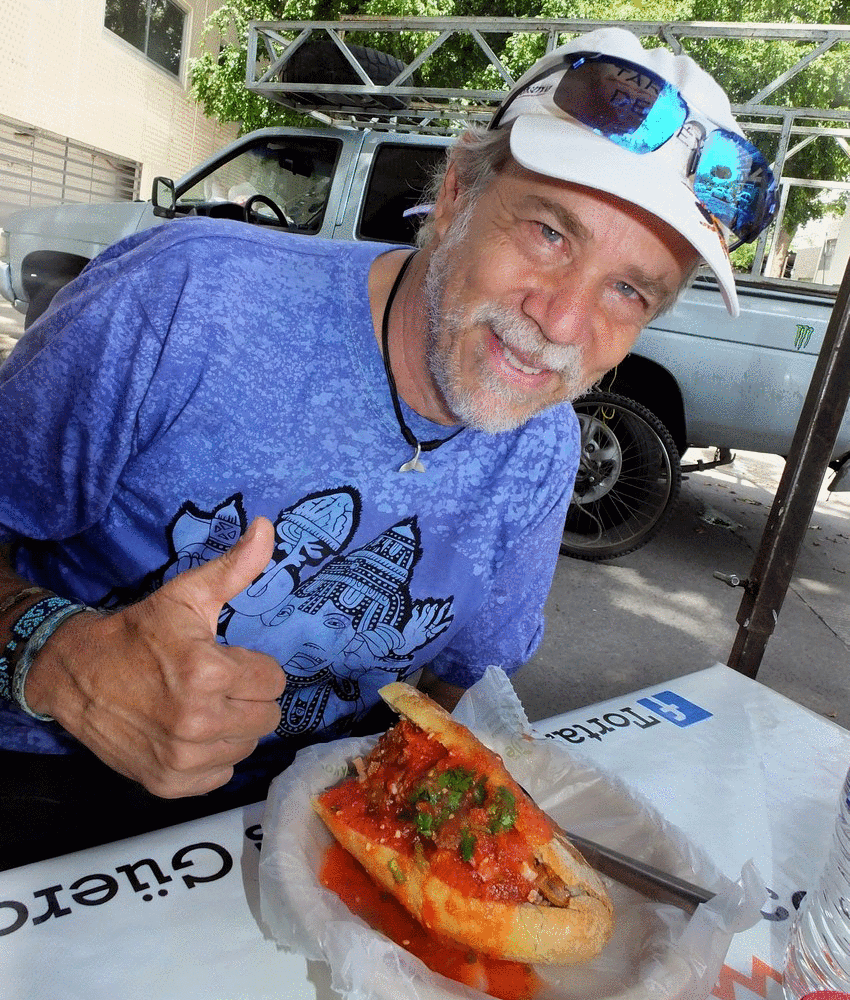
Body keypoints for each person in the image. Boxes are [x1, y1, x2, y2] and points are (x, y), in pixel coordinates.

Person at [0, 27, 775, 868]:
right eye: (551, 233)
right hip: (44, 784)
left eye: (628, 290)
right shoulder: (188, 302)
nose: (560, 324)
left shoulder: (543, 450)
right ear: (453, 198)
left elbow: (451, 684)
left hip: (307, 823)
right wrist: (62, 659)